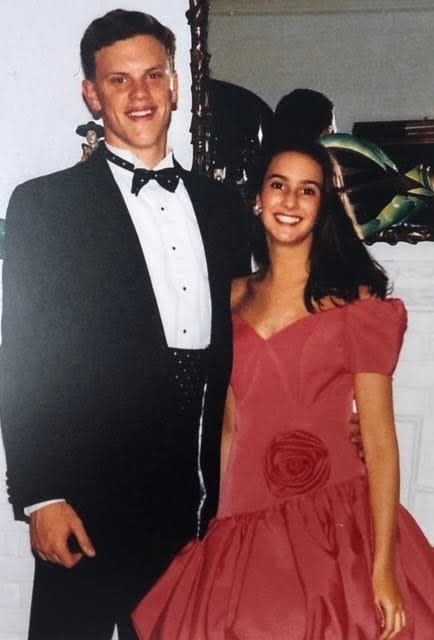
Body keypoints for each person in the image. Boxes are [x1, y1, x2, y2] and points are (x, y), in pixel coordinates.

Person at [0, 9, 250, 640]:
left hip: (196, 504)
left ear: (174, 85)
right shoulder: (45, 207)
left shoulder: (223, 209)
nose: (139, 95)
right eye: (119, 80)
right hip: (86, 501)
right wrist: (41, 496)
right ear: (92, 92)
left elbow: (255, 334)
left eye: (153, 76)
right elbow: (24, 358)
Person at [132, 140, 434, 639]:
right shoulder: (227, 298)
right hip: (244, 522)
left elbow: (379, 441)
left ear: (322, 208)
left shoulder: (356, 307)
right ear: (258, 197)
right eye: (279, 186)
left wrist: (383, 567)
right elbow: (229, 424)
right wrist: (215, 528)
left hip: (336, 525)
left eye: (307, 191)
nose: (290, 202)